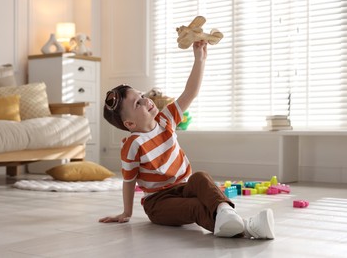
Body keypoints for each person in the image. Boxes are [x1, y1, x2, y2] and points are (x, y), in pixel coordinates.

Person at [99, 40, 275, 240]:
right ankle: (248, 227)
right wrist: (126, 213)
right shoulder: (133, 145)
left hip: (184, 187)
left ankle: (226, 212)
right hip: (159, 203)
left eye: (142, 95)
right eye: (137, 103)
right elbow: (129, 181)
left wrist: (199, 59)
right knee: (195, 207)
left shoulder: (166, 120)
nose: (146, 99)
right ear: (130, 124)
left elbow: (190, 92)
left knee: (200, 177)